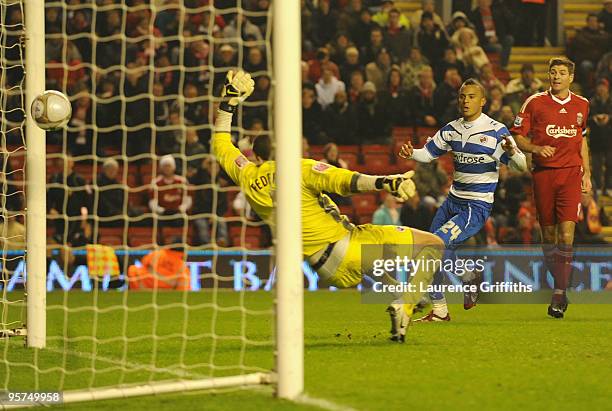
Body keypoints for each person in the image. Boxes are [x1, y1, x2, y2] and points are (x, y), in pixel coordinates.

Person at [212, 70, 445, 342]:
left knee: (368, 255)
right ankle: (405, 303)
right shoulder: (299, 168)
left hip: (324, 267)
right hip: (346, 245)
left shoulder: (247, 175)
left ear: (258, 154)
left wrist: (227, 104)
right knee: (433, 244)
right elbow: (346, 181)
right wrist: (386, 182)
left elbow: (221, 145)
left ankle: (401, 299)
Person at [399, 78, 527, 321]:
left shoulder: (496, 130)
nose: (465, 101)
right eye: (462, 97)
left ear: (483, 101)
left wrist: (512, 152)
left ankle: (466, 280)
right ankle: (441, 309)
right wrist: (412, 152)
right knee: (430, 248)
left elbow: (521, 166)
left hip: (476, 205)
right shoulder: (451, 129)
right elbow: (428, 154)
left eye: (471, 97)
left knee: (436, 246)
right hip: (452, 202)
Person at [512, 57, 591, 319]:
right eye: (552, 72)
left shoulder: (583, 105)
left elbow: (581, 141)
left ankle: (558, 291)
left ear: (570, 77)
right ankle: (561, 285)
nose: (556, 76)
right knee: (548, 238)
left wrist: (587, 174)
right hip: (543, 175)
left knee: (566, 234)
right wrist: (535, 148)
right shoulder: (534, 103)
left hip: (570, 175)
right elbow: (518, 136)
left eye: (561, 73)